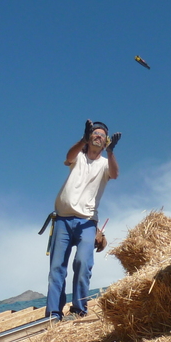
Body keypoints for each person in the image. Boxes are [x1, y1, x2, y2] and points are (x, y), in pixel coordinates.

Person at [44, 120, 120, 320]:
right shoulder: (78, 157)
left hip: (87, 222)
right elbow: (68, 156)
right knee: (56, 267)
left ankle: (79, 310)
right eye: (95, 133)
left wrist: (111, 152)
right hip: (62, 220)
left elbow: (115, 174)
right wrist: (82, 140)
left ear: (106, 142)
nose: (98, 137)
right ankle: (53, 313)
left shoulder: (104, 164)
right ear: (88, 138)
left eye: (102, 136)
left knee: (83, 262)